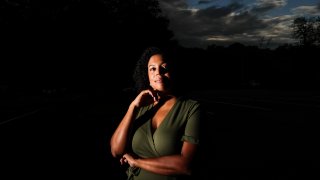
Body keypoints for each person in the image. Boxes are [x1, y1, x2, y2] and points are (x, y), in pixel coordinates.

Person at [110, 46, 204, 180]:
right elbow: (116, 151)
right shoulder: (140, 107)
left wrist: (136, 162)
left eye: (164, 68)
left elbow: (186, 165)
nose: (158, 73)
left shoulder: (191, 108)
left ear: (175, 71)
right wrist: (133, 107)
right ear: (147, 76)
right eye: (152, 69)